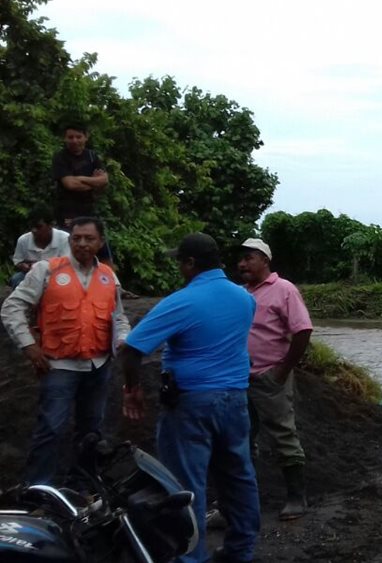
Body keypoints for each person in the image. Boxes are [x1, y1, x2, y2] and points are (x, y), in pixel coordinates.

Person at [119, 233, 260, 563]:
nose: (179, 267)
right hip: (235, 400)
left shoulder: (181, 301)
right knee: (239, 475)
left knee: (185, 484)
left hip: (191, 404)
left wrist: (132, 390)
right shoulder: (244, 298)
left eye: (180, 261)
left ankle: (191, 557)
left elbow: (131, 350)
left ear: (190, 264)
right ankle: (241, 550)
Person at [0, 216, 130, 485]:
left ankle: (82, 488)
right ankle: (38, 491)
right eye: (76, 238)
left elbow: (118, 317)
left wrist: (123, 340)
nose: (81, 243)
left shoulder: (108, 276)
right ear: (69, 240)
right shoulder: (47, 270)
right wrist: (29, 346)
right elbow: (12, 308)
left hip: (98, 365)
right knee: (50, 429)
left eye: (89, 238)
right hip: (59, 366)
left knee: (91, 431)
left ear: (100, 242)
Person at [238, 237, 313, 520]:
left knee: (283, 435)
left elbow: (303, 330)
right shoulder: (241, 292)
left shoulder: (283, 289)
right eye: (240, 259)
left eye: (249, 258)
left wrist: (282, 371)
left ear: (265, 261)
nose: (242, 264)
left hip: (270, 377)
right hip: (239, 380)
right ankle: (241, 503)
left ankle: (297, 498)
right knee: (240, 439)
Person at [51, 123, 108, 229]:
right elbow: (70, 184)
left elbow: (104, 180)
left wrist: (80, 179)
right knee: (70, 240)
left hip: (90, 210)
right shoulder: (60, 158)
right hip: (67, 212)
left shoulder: (92, 156)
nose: (74, 141)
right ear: (65, 138)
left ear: (86, 137)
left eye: (78, 137)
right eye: (70, 137)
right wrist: (94, 182)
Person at [9, 208, 70, 288]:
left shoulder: (64, 238)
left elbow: (68, 264)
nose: (34, 230)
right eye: (31, 226)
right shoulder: (23, 240)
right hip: (31, 275)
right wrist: (24, 266)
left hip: (57, 275)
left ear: (51, 225)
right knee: (16, 279)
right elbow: (18, 261)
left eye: (38, 227)